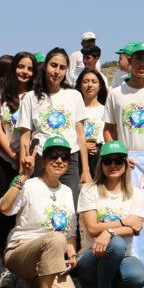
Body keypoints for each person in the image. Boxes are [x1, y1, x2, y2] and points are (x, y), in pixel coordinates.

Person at [0, 134, 80, 288]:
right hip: (21, 251)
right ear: (43, 160)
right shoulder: (29, 185)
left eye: (64, 157)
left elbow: (71, 233)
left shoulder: (67, 192)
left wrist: (73, 255)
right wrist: (23, 176)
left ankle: (34, 286)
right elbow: (4, 208)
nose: (59, 161)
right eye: (53, 156)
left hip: (53, 256)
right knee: (55, 239)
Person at [74, 140, 144, 288]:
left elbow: (136, 227)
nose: (113, 165)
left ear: (125, 164)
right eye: (107, 161)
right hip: (91, 257)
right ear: (101, 164)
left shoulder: (136, 193)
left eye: (118, 160)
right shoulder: (89, 190)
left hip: (125, 255)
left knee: (136, 277)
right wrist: (124, 223)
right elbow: (92, 228)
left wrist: (109, 231)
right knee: (115, 244)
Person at [17, 47, 91, 208]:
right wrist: (23, 168)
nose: (57, 71)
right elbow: (25, 134)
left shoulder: (74, 96)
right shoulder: (30, 97)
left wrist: (85, 169)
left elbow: (80, 135)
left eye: (62, 67)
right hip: (40, 157)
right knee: (38, 206)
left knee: (69, 207)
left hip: (69, 158)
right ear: (45, 67)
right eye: (53, 65)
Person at [0, 51, 35, 287]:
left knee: (24, 210)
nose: (24, 72)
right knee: (3, 209)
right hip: (3, 158)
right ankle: (2, 261)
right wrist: (10, 153)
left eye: (29, 68)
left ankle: (21, 262)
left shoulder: (36, 96)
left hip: (28, 163)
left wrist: (24, 158)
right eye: (21, 67)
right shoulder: (0, 93)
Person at [77, 69, 108, 163]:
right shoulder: (74, 110)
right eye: (85, 82)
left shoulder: (106, 110)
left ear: (100, 86)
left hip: (102, 157)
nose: (90, 85)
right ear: (80, 86)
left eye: (94, 82)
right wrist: (82, 146)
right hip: (78, 158)